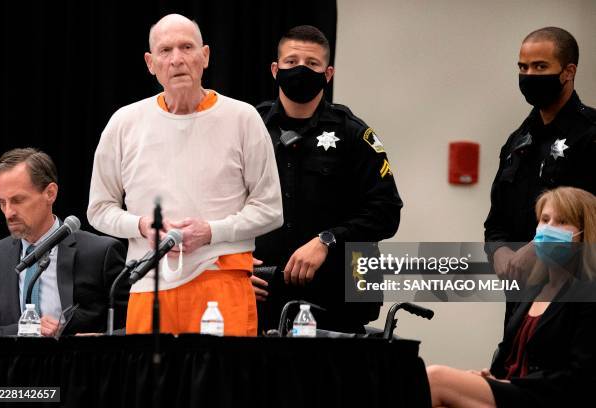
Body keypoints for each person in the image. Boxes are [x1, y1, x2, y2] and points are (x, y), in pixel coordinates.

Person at [87, 14, 283, 336]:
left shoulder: (242, 118)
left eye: (186, 47)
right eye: (165, 51)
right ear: (150, 63)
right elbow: (98, 209)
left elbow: (270, 210)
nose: (176, 59)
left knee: (222, 386)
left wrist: (211, 231)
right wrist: (140, 226)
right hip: (147, 282)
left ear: (204, 56)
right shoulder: (124, 123)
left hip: (221, 279)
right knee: (148, 386)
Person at [253, 25, 403, 333]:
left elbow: (386, 213)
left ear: (328, 73)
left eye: (312, 64)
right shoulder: (249, 129)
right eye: (291, 62)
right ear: (274, 69)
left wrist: (327, 241)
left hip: (336, 299)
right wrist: (231, 268)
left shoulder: (353, 134)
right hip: (262, 293)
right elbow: (220, 207)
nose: (301, 70)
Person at [428, 186, 596, 407]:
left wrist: (507, 385)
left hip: (546, 397)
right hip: (514, 392)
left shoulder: (588, 293)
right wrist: (488, 378)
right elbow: (508, 354)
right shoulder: (533, 289)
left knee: (435, 378)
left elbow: (580, 377)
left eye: (562, 221)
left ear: (585, 234)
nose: (548, 229)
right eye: (544, 220)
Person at [485, 27, 596, 284]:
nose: (529, 75)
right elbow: (496, 219)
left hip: (576, 289)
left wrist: (538, 248)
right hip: (520, 290)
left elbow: (589, 216)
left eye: (540, 67)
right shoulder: (518, 141)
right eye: (523, 68)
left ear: (568, 72)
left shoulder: (589, 134)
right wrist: (499, 250)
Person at [0, 148, 129, 338]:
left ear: (50, 193)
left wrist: (99, 342)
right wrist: (24, 328)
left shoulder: (100, 253)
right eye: (2, 203)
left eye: (18, 200)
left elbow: (135, 327)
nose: (8, 212)